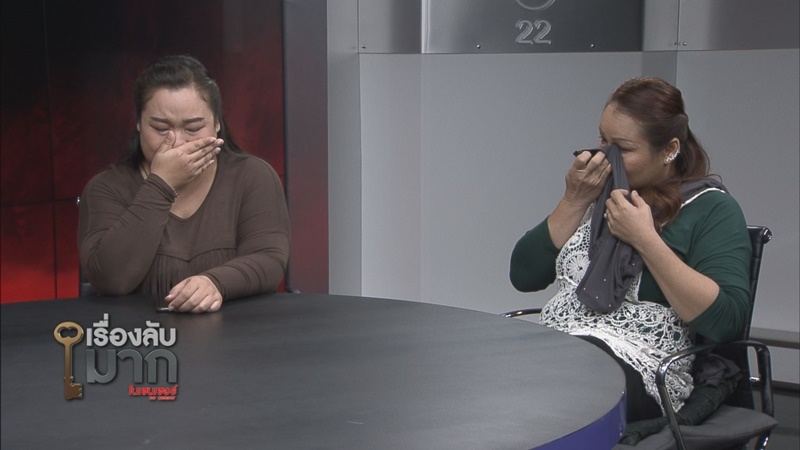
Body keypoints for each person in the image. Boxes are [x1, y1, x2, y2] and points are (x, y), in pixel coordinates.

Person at [509, 77, 751, 424]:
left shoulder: (712, 209)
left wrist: (646, 240)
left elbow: (726, 322)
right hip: (563, 345)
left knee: (555, 379)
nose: (604, 156)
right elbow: (524, 275)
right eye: (602, 139)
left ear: (669, 150)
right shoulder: (599, 194)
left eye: (621, 148)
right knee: (498, 368)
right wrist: (574, 200)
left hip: (644, 367)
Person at [78, 54, 290, 313]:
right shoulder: (106, 188)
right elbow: (111, 279)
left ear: (217, 124)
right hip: (141, 335)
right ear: (139, 124)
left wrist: (215, 282)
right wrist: (161, 184)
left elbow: (269, 259)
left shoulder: (252, 176)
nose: (177, 142)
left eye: (193, 128)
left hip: (236, 332)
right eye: (160, 128)